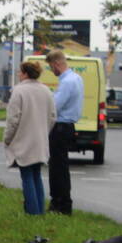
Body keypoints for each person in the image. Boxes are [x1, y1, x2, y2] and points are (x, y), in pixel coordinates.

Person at [4, 60, 56, 215]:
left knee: (26, 176)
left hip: (23, 140)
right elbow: (53, 116)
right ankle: (40, 210)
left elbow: (13, 119)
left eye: (20, 72)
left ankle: (32, 212)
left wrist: (7, 138)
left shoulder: (19, 91)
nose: (19, 75)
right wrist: (44, 131)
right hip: (40, 140)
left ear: (25, 73)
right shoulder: (46, 91)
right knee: (36, 176)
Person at [46, 49, 83, 215]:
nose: (51, 70)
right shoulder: (76, 78)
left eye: (51, 67)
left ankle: (60, 204)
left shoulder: (67, 82)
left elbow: (55, 106)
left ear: (56, 64)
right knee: (61, 166)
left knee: (57, 168)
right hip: (68, 126)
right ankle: (63, 203)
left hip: (60, 126)